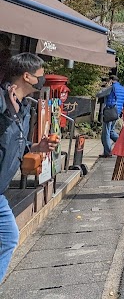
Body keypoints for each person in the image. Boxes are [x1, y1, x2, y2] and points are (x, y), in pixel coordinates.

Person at [0, 53, 60, 280]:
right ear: (27, 76)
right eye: (40, 76)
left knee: (9, 237)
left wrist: (38, 146)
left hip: (1, 191)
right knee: (8, 237)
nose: (42, 80)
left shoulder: (23, 107)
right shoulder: (1, 101)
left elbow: (19, 144)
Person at [96, 75, 124, 158]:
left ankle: (107, 152)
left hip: (109, 111)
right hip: (117, 112)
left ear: (111, 80)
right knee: (111, 131)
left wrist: (106, 86)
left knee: (106, 132)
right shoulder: (123, 89)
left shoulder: (111, 88)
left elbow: (98, 94)